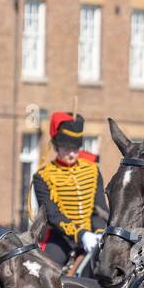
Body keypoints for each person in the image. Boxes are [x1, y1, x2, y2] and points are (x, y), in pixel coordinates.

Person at [32, 111, 107, 269]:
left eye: (75, 148)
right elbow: (52, 215)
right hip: (60, 238)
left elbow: (99, 208)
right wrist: (81, 235)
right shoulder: (43, 176)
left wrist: (99, 232)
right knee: (47, 271)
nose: (72, 153)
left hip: (92, 234)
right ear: (57, 147)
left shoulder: (92, 170)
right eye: (66, 148)